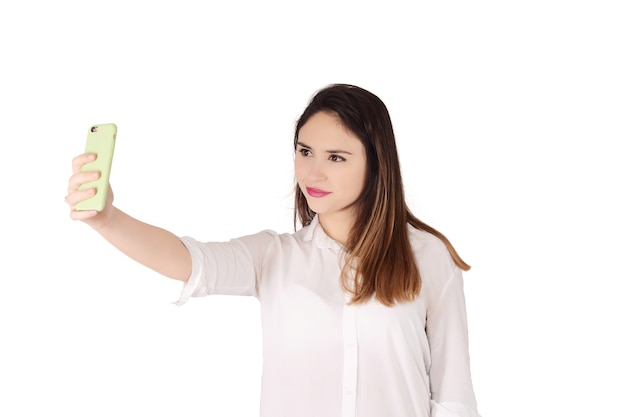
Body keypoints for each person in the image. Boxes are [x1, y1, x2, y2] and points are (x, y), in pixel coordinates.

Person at [65, 84, 482, 417]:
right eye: (305, 152)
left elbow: (453, 396)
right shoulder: (275, 257)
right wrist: (107, 219)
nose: (313, 172)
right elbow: (190, 260)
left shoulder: (428, 257)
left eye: (336, 157)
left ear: (377, 163)